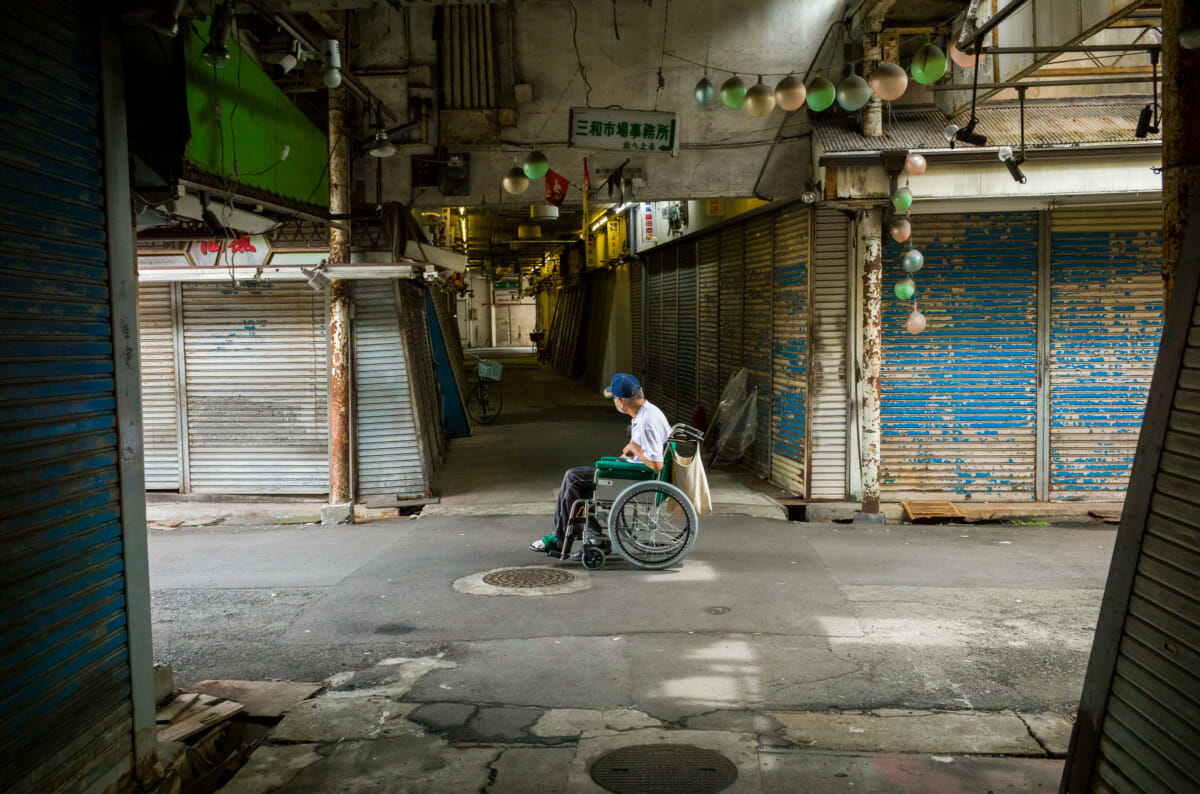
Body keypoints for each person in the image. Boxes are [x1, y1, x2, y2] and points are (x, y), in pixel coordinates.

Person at [531, 373, 672, 557]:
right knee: (574, 478)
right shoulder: (645, 413)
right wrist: (629, 453)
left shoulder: (647, 421)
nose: (614, 402)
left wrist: (634, 448)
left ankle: (567, 539)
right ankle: (589, 535)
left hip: (637, 478)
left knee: (573, 478)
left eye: (614, 398)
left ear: (621, 401)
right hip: (634, 472)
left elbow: (656, 464)